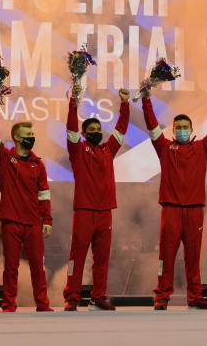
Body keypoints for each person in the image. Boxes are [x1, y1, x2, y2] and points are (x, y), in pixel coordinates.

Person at [144, 87, 207, 310]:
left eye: (185, 127)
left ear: (192, 129)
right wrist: (146, 101)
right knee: (166, 257)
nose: (182, 130)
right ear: (173, 131)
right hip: (171, 210)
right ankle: (161, 297)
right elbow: (152, 126)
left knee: (193, 257)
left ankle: (195, 297)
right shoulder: (165, 148)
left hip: (194, 211)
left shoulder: (202, 147)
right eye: (178, 128)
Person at [62, 89, 131, 311]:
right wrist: (73, 101)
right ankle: (72, 298)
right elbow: (71, 129)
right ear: (83, 134)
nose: (96, 132)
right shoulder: (78, 151)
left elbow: (120, 130)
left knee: (102, 259)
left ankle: (98, 297)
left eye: (98, 129)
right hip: (84, 211)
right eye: (91, 130)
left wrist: (125, 104)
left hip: (105, 212)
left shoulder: (108, 150)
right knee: (78, 257)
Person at [0, 95, 54, 312]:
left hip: (34, 222)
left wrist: (47, 219)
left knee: (38, 267)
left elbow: (44, 194)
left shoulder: (38, 164)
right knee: (11, 267)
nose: (31, 138)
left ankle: (43, 304)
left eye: (32, 135)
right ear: (16, 138)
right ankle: (9, 304)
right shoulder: (5, 159)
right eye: (27, 135)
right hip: (11, 221)